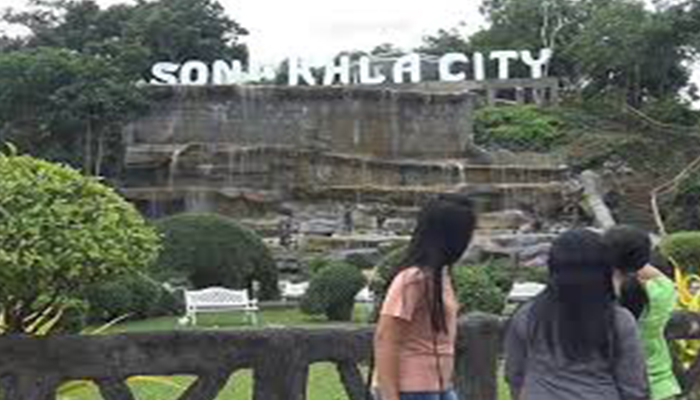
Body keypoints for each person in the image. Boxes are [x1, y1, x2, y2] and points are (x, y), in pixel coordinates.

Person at [504, 229, 649, 400]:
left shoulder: (527, 315)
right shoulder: (618, 320)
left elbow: (514, 374)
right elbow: (633, 385)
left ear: (553, 266)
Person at [373, 195, 476, 400]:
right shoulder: (413, 279)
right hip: (412, 390)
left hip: (441, 386)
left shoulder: (441, 274)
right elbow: (386, 339)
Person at [605, 225, 681, 400]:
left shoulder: (599, 297)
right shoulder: (661, 292)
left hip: (614, 387)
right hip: (660, 387)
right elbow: (660, 278)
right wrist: (634, 260)